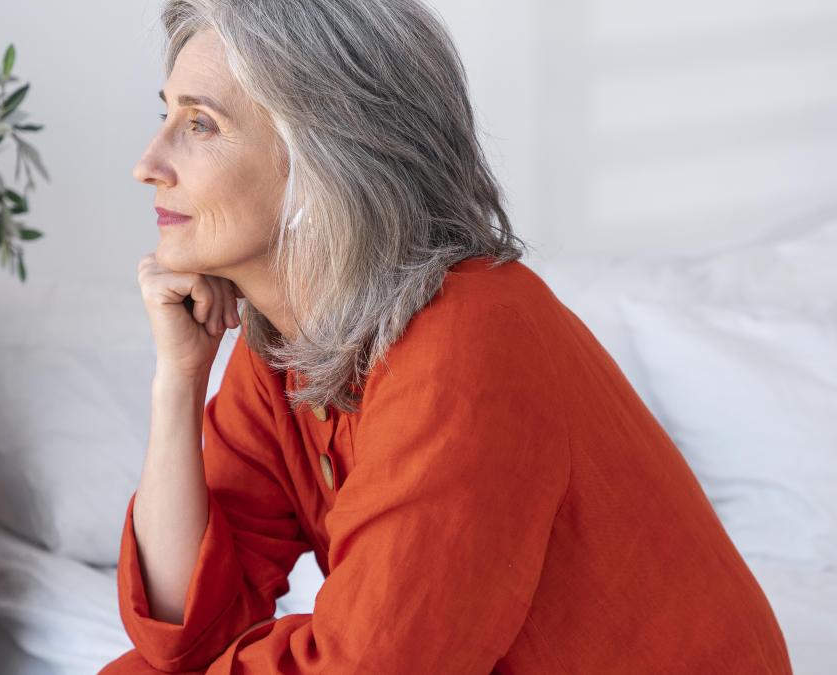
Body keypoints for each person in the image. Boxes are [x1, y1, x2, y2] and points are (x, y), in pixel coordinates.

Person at [102, 1, 794, 672]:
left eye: (201, 124)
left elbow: (374, 663)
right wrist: (179, 379)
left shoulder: (468, 336)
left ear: (325, 153)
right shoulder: (284, 344)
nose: (147, 163)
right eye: (166, 116)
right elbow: (185, 631)